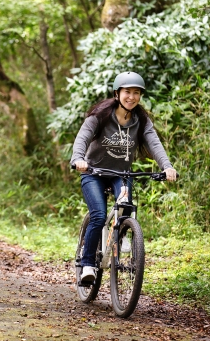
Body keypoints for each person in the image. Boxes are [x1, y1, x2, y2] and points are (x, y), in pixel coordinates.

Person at [70, 71, 177, 283]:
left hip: (121, 174)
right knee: (99, 215)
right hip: (94, 173)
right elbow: (82, 138)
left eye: (136, 93)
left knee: (126, 206)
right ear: (117, 94)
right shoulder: (99, 116)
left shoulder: (141, 120)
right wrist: (78, 159)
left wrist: (167, 166)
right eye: (127, 92)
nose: (132, 97)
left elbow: (154, 144)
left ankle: (123, 233)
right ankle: (88, 264)